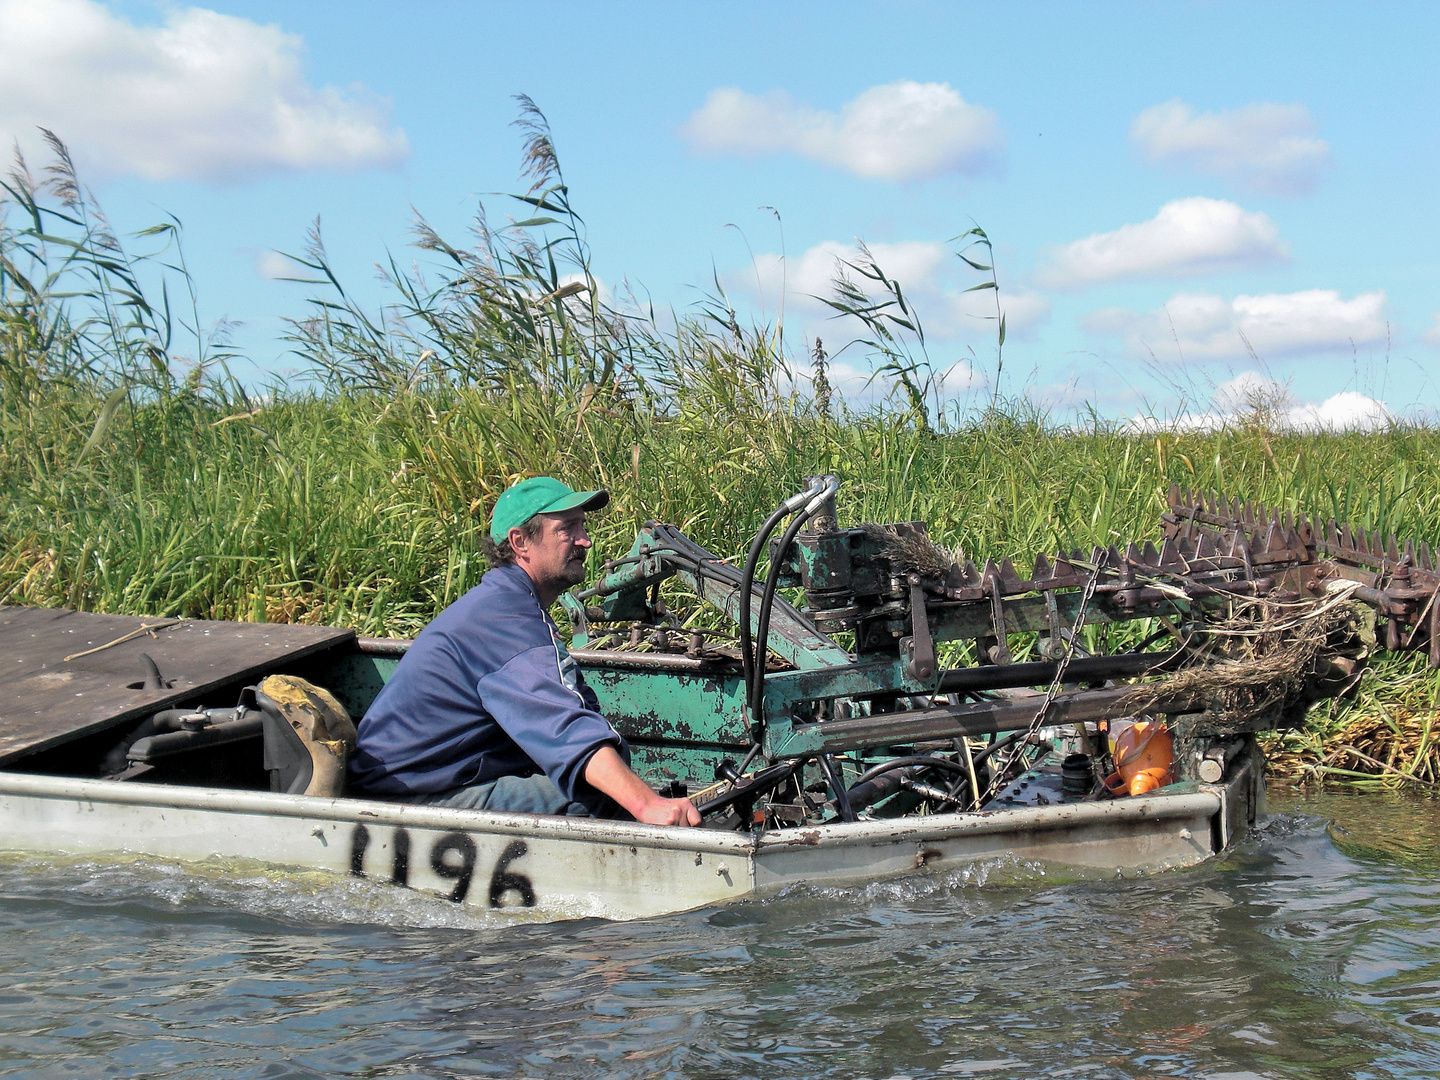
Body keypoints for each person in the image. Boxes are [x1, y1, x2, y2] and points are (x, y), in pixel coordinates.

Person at [348, 476, 701, 826]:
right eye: (567, 529)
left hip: (432, 778)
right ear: (520, 541)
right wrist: (645, 804)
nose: (586, 540)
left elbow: (574, 713)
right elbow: (564, 729)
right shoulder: (505, 619)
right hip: (404, 799)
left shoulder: (509, 604)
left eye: (582, 526)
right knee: (598, 801)